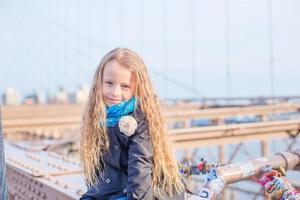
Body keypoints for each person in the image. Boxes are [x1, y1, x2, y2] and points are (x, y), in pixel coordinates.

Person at [79, 48, 185, 200]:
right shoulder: (98, 116)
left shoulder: (140, 120)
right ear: (99, 82)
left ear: (137, 88)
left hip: (146, 191)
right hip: (114, 189)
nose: (115, 92)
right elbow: (98, 171)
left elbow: (140, 171)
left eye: (125, 86)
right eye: (109, 83)